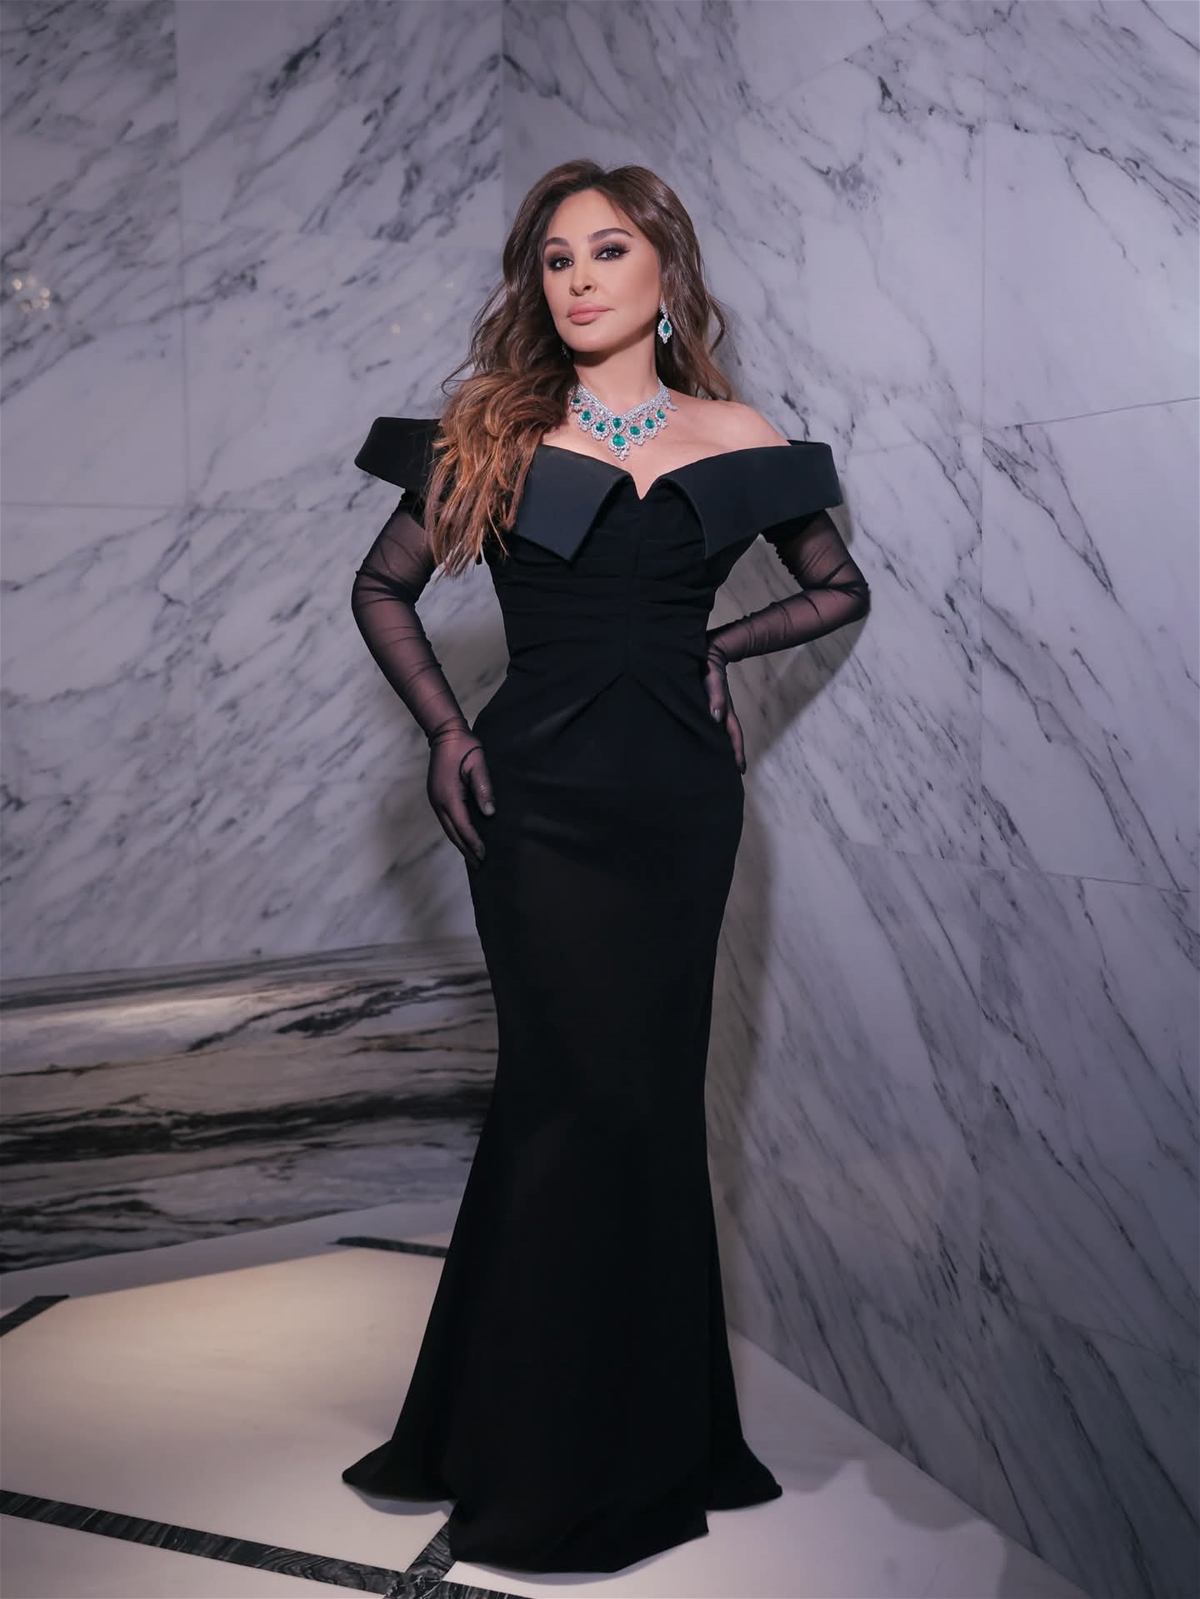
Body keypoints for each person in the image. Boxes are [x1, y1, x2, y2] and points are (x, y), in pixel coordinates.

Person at [340, 161, 870, 1577]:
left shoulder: (735, 432)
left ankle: (657, 1438)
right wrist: (446, 730)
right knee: (566, 1099)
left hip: (681, 808)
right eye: (556, 258)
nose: (578, 277)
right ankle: (530, 1457)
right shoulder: (496, 429)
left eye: (608, 249)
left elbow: (838, 587)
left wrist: (717, 651)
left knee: (645, 1105)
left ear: (665, 271)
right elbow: (381, 587)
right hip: (539, 804)